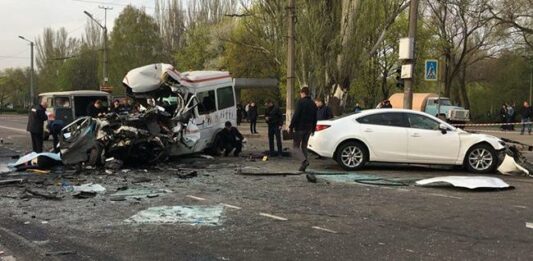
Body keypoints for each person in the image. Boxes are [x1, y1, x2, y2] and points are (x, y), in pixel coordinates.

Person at [289, 87, 317, 172]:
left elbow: (296, 115)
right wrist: (313, 129)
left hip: (300, 128)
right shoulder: (313, 103)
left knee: (295, 147)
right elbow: (315, 117)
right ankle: (303, 165)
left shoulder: (300, 102)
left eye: (300, 93)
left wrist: (291, 126)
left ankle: (304, 161)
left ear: (303, 93)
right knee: (304, 146)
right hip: (309, 128)